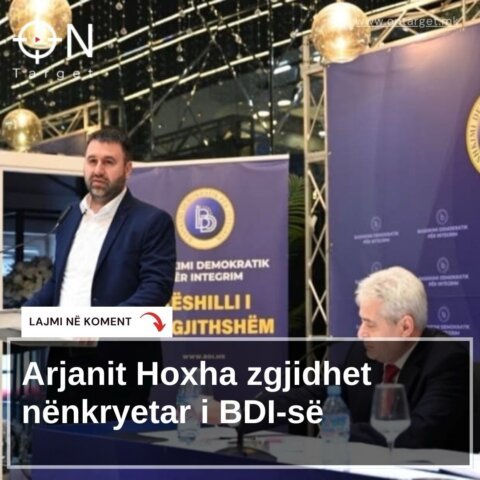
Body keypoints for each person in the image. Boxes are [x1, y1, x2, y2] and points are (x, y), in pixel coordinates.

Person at [25, 126, 176, 410]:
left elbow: (156, 289)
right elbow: (60, 282)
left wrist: (102, 324)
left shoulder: (152, 221)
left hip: (120, 365)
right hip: (63, 362)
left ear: (127, 169)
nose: (98, 170)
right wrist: (22, 318)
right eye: (92, 160)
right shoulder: (70, 216)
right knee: (61, 438)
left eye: (108, 162)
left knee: (113, 440)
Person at [241, 266, 470, 452]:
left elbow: (419, 434)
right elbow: (313, 396)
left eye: (370, 324)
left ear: (405, 327)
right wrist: (239, 414)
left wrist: (341, 431)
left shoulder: (447, 360)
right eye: (361, 322)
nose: (361, 333)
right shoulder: (362, 354)